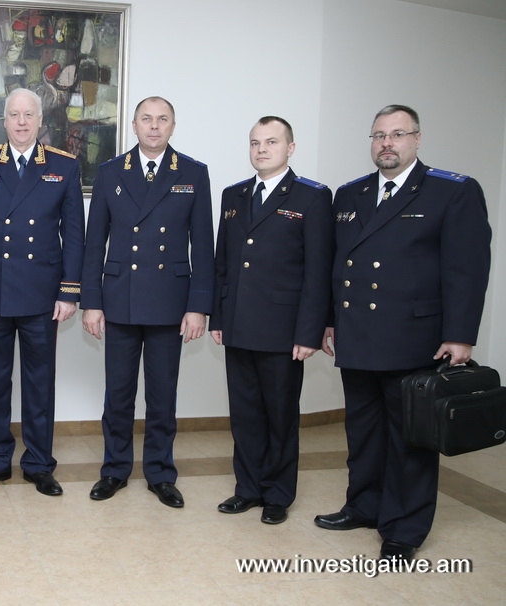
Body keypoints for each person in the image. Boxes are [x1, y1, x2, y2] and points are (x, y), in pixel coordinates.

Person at [317, 105, 491, 561]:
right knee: (363, 431)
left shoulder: (452, 191)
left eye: (397, 134)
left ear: (417, 139)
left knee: (410, 438)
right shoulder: (350, 194)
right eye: (379, 136)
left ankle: (404, 528)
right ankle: (364, 506)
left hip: (416, 338)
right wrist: (330, 319)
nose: (387, 144)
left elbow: (467, 270)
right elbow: (338, 267)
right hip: (358, 334)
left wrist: (460, 335)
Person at [80, 96, 214, 509]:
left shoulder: (192, 172)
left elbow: (203, 245)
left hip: (170, 302)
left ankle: (160, 473)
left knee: (162, 395)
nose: (154, 126)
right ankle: (114, 469)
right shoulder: (110, 172)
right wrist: (91, 302)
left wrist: (198, 306)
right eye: (146, 119)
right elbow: (94, 244)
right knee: (118, 394)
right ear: (134, 125)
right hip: (119, 299)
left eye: (162, 119)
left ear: (173, 126)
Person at [0, 88, 84, 497]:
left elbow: (74, 235)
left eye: (29, 115)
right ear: (4, 120)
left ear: (41, 120)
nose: (22, 122)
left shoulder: (63, 165)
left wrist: (69, 291)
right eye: (14, 115)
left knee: (39, 383)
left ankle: (39, 464)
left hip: (41, 294)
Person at [209, 116, 333, 524]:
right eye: (255, 142)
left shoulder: (312, 197)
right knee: (244, 415)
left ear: (290, 148)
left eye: (272, 142)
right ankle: (247, 488)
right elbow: (223, 263)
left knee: (280, 416)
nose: (262, 149)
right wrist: (218, 317)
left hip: (284, 329)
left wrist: (309, 332)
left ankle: (278, 494)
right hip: (238, 323)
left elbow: (318, 271)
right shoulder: (234, 194)